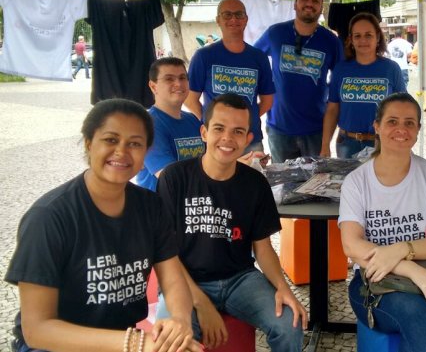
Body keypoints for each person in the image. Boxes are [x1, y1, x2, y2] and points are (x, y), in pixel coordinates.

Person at [5, 98, 202, 352]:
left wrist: (179, 322)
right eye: (110, 140)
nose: (121, 151)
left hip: (121, 339)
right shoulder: (49, 217)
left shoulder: (150, 206)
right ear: (89, 143)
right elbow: (37, 329)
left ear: (146, 152)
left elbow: (173, 280)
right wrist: (136, 343)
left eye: (134, 144)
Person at [156, 93, 307, 351]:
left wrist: (283, 287)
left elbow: (263, 248)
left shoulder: (255, 183)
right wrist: (201, 304)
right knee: (173, 339)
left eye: (238, 131)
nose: (227, 138)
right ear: (204, 132)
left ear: (248, 139)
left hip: (240, 279)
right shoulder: (175, 178)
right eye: (219, 128)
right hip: (183, 280)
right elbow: (165, 255)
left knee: (289, 324)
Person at [339, 92, 426, 352]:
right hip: (374, 285)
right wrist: (411, 269)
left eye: (409, 123)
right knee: (413, 310)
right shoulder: (357, 182)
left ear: (418, 129)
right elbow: (351, 246)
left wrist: (400, 249)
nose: (401, 129)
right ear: (377, 127)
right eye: (392, 121)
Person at [254, 0, 344, 163]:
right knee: (284, 186)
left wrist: (328, 138)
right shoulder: (276, 33)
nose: (309, 4)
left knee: (314, 187)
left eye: (315, 0)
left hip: (316, 130)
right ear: (295, 5)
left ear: (321, 7)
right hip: (279, 129)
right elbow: (253, 61)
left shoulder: (331, 41)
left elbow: (341, 81)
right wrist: (263, 92)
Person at [185, 0, 275, 153]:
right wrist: (211, 121)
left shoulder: (258, 57)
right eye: (227, 15)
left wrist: (245, 119)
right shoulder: (204, 56)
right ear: (218, 20)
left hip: (250, 140)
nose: (233, 19)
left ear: (246, 19)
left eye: (239, 14)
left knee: (253, 177)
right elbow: (189, 98)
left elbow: (267, 101)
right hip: (217, 142)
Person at [321, 12, 406, 158]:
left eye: (368, 35)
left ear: (378, 37)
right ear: (351, 40)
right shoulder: (341, 69)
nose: (363, 40)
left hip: (380, 144)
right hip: (346, 144)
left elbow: (403, 108)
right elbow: (332, 109)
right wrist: (324, 146)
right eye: (357, 36)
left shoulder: (391, 69)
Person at [136, 57, 205, 191]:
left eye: (182, 78)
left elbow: (210, 160)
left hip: (192, 202)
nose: (178, 84)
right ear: (153, 86)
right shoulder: (148, 125)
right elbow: (170, 178)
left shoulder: (192, 120)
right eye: (169, 79)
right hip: (160, 206)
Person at [410, 44, 426, 111]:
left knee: (421, 86)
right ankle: (424, 104)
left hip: (421, 67)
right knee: (424, 86)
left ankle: (421, 104)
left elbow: (413, 56)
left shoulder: (417, 44)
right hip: (423, 67)